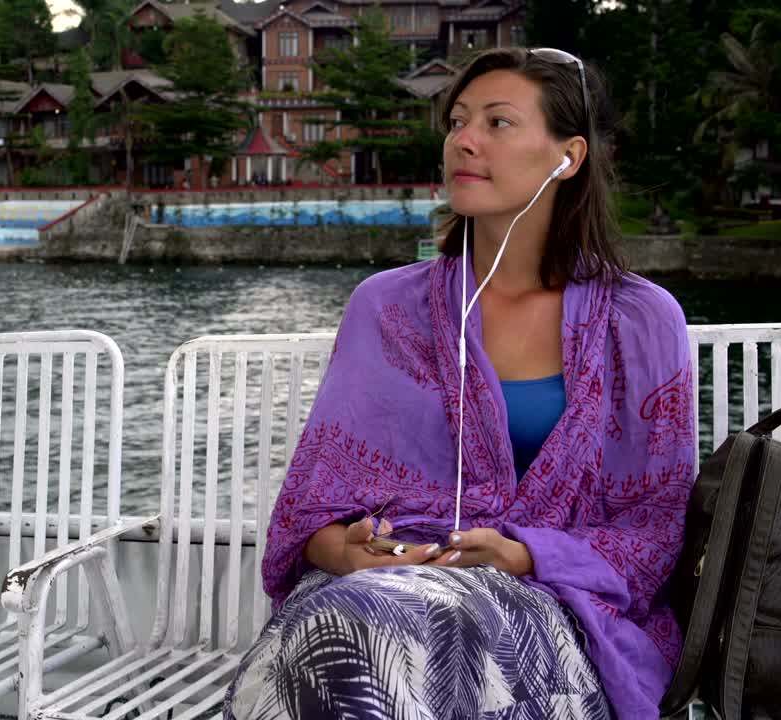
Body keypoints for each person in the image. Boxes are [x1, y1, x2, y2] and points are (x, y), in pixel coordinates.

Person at [224, 47, 696, 720]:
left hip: (558, 609)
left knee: (369, 643)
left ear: (568, 156)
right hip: (368, 599)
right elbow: (315, 504)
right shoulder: (388, 307)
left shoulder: (637, 321)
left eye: (498, 123)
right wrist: (348, 553)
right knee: (341, 635)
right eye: (457, 122)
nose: (463, 141)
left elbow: (655, 531)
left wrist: (524, 553)